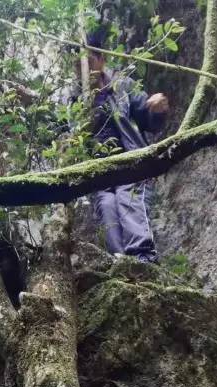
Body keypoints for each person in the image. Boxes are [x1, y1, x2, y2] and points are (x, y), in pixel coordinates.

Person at [77, 37, 169, 264]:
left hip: (129, 161)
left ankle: (143, 259)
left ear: (100, 60)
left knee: (128, 196)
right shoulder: (77, 102)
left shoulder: (122, 86)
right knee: (106, 206)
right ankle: (120, 264)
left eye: (88, 61)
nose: (84, 69)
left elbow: (147, 116)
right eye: (77, 65)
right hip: (99, 171)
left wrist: (156, 108)